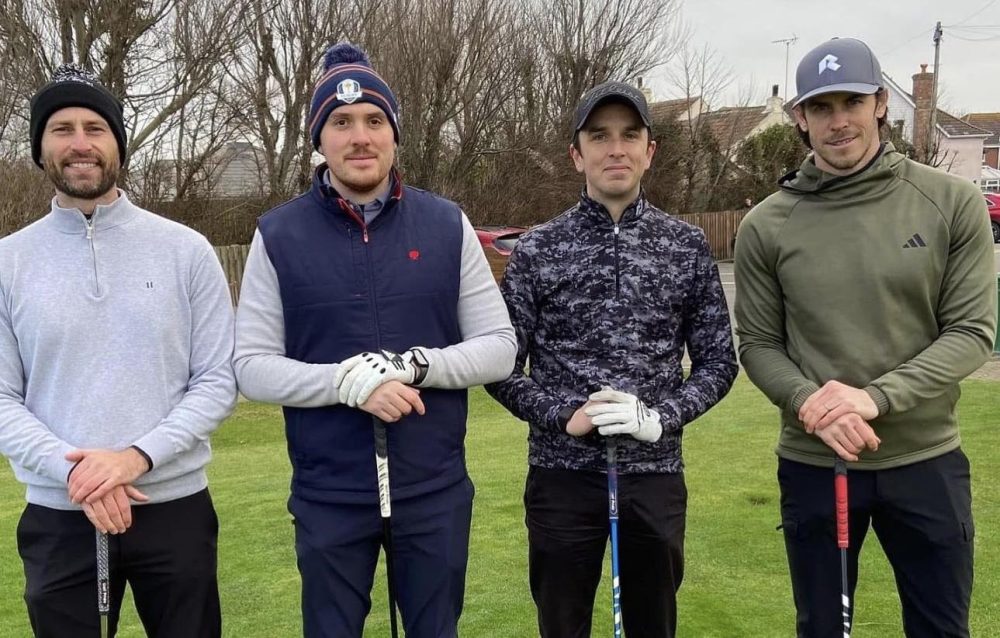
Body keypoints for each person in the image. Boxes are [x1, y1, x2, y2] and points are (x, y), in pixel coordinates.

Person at [232, 42, 516, 638]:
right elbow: (251, 367)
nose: (359, 136)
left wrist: (412, 366)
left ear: (393, 134)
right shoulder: (278, 234)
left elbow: (498, 346)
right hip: (328, 493)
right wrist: (345, 381)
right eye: (340, 122)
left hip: (432, 487)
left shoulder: (446, 223)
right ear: (320, 139)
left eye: (373, 121)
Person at [734, 37, 998, 638]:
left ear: (880, 103)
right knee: (823, 628)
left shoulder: (951, 201)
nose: (838, 121)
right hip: (815, 463)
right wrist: (811, 404)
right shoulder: (766, 224)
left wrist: (870, 399)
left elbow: (971, 332)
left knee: (940, 628)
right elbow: (758, 344)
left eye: (851, 101)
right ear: (799, 117)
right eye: (821, 108)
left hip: (926, 459)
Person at [485, 81, 738, 638]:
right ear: (577, 154)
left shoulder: (686, 245)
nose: (615, 149)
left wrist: (659, 418)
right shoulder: (537, 248)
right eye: (599, 137)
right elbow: (500, 366)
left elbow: (720, 362)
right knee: (562, 625)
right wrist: (561, 415)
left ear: (651, 151)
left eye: (630, 135)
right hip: (561, 477)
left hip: (654, 476)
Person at [0, 64, 237, 637]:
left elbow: (217, 380)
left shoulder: (186, 250)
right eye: (61, 129)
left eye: (94, 128)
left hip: (173, 509)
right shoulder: (8, 261)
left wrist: (132, 459)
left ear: (118, 145)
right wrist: (79, 475)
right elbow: (2, 399)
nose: (80, 143)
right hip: (59, 516)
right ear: (40, 149)